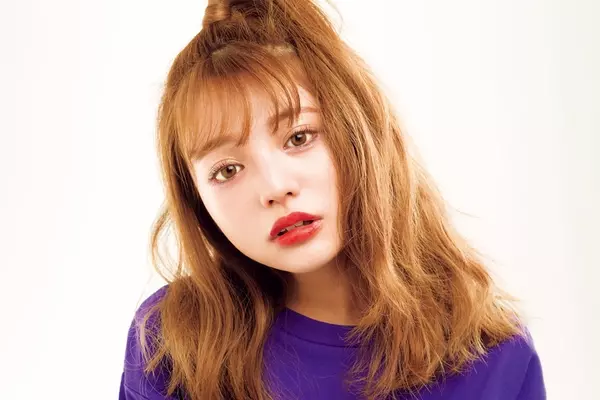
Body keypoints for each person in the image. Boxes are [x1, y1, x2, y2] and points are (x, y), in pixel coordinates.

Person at [118, 0, 546, 399]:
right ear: (197, 200)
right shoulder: (173, 344)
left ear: (358, 130)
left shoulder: (493, 356)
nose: (275, 188)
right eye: (227, 170)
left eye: (299, 137)